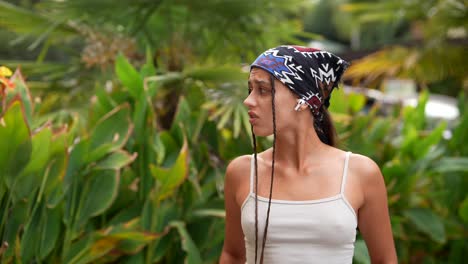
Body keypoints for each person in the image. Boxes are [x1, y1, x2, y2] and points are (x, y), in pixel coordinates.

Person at [219, 46, 397, 264]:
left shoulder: (360, 173)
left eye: (263, 90)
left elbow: (385, 260)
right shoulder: (242, 172)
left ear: (303, 100)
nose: (249, 101)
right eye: (250, 89)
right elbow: (233, 255)